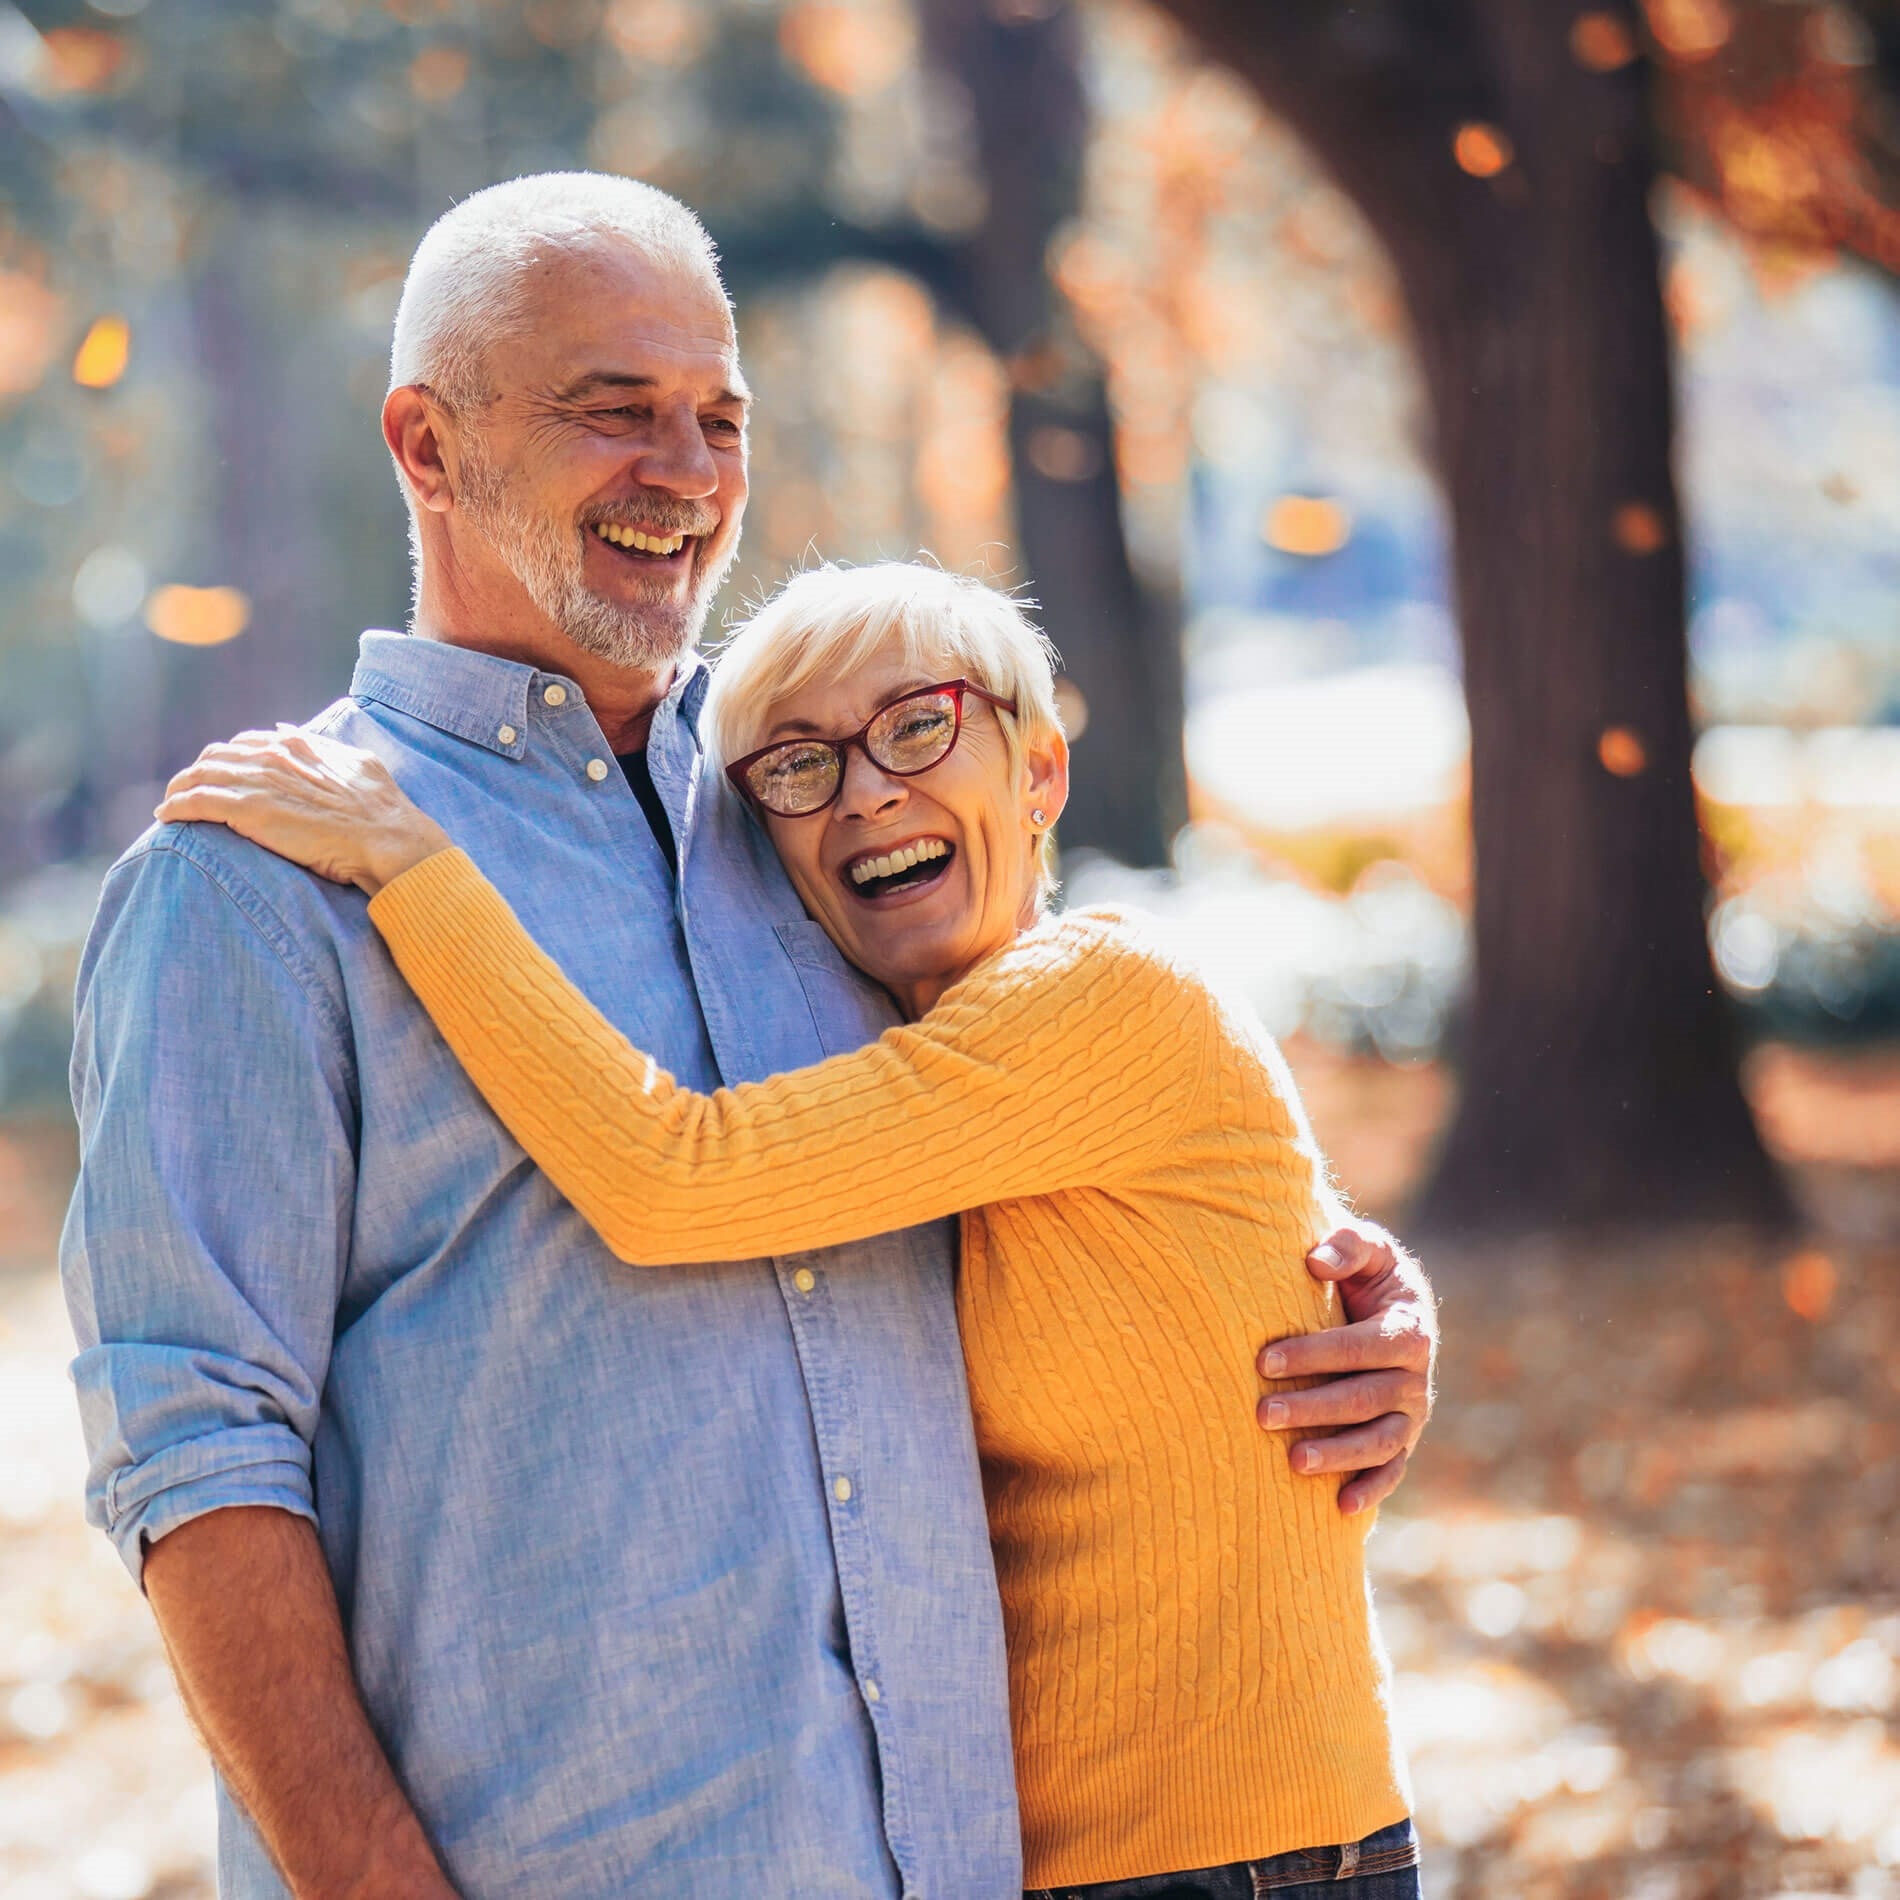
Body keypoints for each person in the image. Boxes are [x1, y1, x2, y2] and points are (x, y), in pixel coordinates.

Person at [65, 171, 1435, 1900]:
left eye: (719, 417)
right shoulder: (257, 876)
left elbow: (1079, 1158)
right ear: (426, 444)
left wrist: (1349, 1312)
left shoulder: (827, 814)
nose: (689, 472)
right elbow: (195, 1454)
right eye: (612, 412)